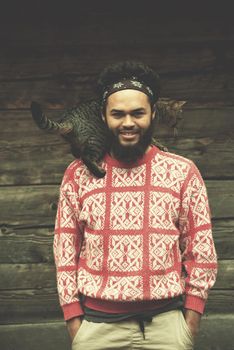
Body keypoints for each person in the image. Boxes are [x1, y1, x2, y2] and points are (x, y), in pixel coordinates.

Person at [54, 61, 218, 350]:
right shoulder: (78, 174)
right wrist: (74, 322)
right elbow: (65, 249)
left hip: (166, 327)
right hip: (96, 329)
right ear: (104, 117)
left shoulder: (183, 172)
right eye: (118, 114)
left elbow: (200, 249)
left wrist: (189, 323)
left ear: (152, 114)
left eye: (138, 113)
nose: (128, 122)